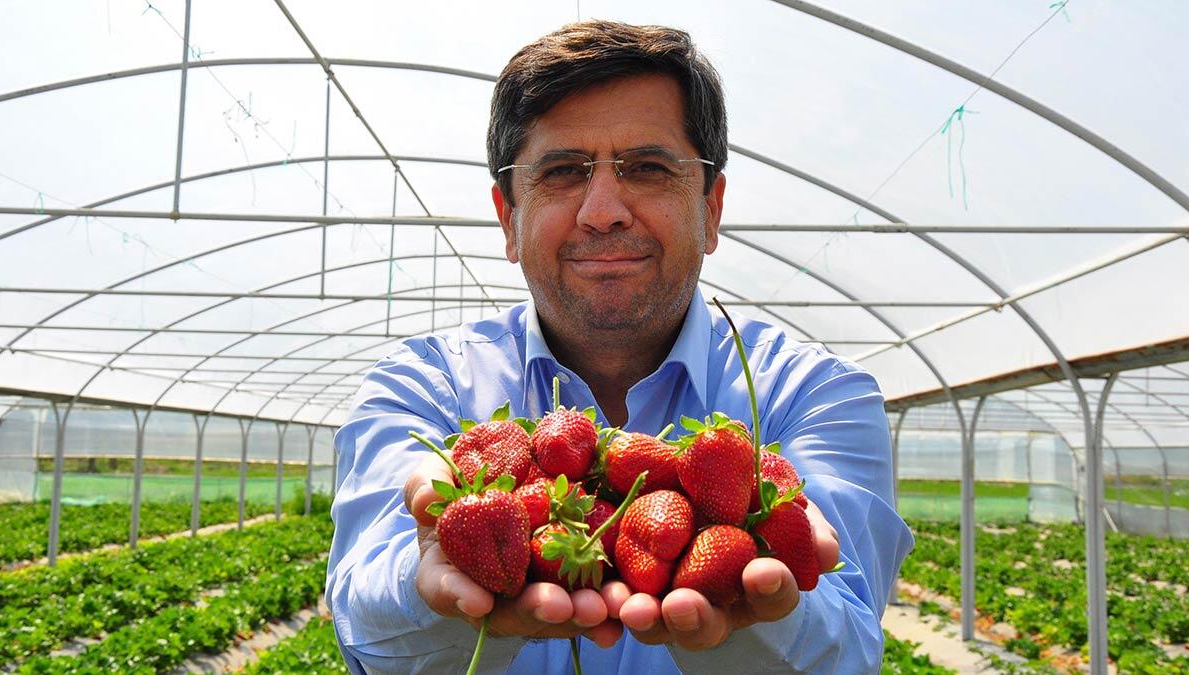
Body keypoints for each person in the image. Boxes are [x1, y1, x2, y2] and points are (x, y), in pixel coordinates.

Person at [327, 20, 913, 674]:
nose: (602, 209)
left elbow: (848, 647)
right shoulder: (422, 387)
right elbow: (363, 628)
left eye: (649, 168)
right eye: (561, 171)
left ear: (711, 208)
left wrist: (760, 608)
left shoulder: (815, 394)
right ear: (508, 218)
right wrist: (435, 584)